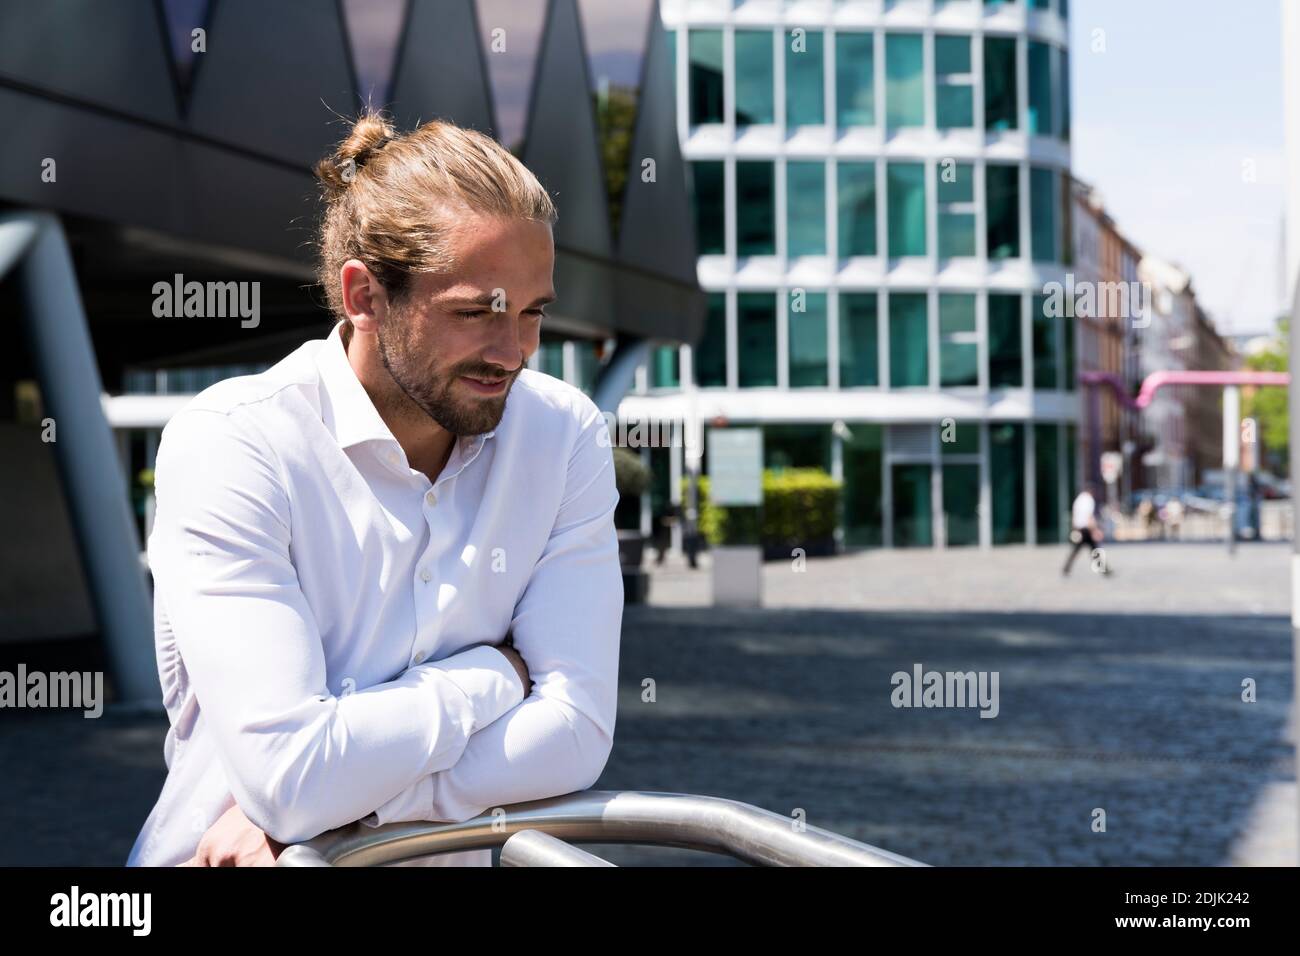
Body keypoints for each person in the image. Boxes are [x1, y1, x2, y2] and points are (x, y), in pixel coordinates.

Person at [126, 111, 623, 867]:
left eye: (532, 315)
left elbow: (577, 733)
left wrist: (356, 813)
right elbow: (291, 778)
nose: (513, 352)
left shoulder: (565, 435)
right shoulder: (236, 442)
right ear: (364, 297)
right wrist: (496, 674)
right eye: (475, 313)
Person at [1062, 484, 1108, 576]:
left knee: (1081, 549)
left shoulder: (1078, 500)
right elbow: (1089, 517)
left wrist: (1075, 529)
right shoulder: (1089, 500)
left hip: (1079, 529)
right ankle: (1103, 569)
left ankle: (1066, 568)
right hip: (1087, 529)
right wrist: (1095, 530)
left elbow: (1075, 516)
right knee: (1094, 548)